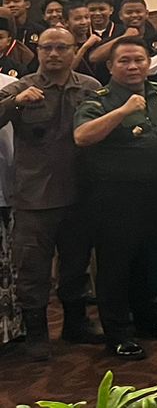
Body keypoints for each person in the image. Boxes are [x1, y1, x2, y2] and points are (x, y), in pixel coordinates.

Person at [71, 39, 157, 359]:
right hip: (116, 196)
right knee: (116, 265)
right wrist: (122, 111)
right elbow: (82, 136)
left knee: (152, 259)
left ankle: (150, 319)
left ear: (149, 62)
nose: (133, 66)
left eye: (139, 59)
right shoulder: (99, 99)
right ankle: (118, 333)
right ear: (110, 66)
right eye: (124, 61)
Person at [0, 27, 103, 360]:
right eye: (47, 48)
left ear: (74, 50)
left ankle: (76, 324)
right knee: (32, 270)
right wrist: (14, 103)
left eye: (61, 47)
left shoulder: (90, 87)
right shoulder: (21, 87)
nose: (54, 54)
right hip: (35, 198)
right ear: (38, 51)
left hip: (80, 194)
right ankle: (37, 333)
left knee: (76, 265)